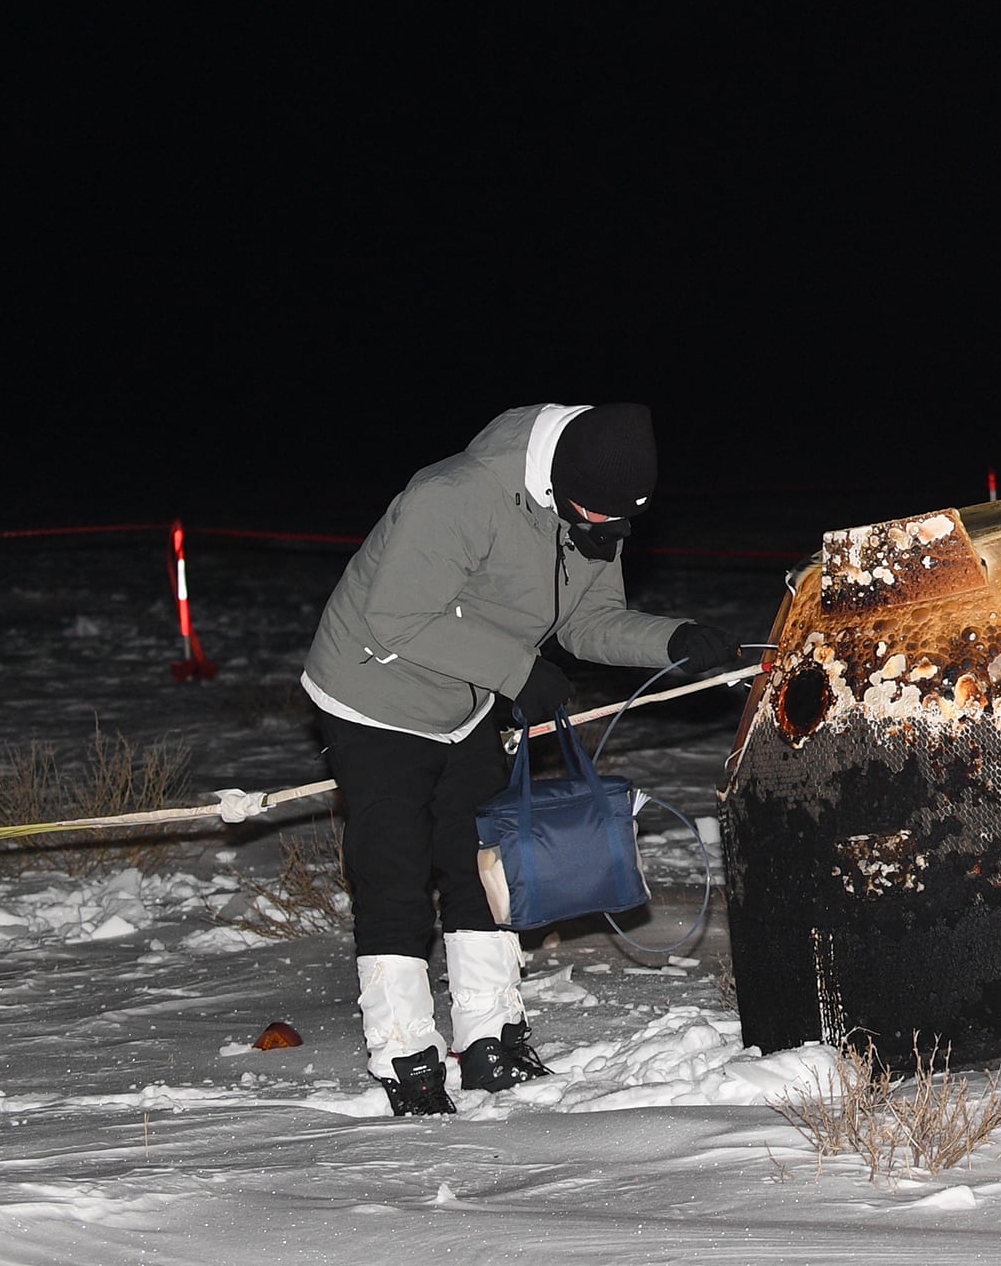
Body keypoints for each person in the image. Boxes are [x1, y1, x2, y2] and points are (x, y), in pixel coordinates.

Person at [299, 402, 744, 1115]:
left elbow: (589, 621)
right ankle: (406, 1053)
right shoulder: (457, 497)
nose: (606, 534)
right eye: (593, 518)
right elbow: (399, 617)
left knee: (483, 859)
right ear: (558, 483)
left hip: (470, 697)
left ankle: (490, 1037)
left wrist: (673, 640)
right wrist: (516, 671)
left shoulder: (594, 504)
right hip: (373, 692)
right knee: (396, 869)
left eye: (619, 524)